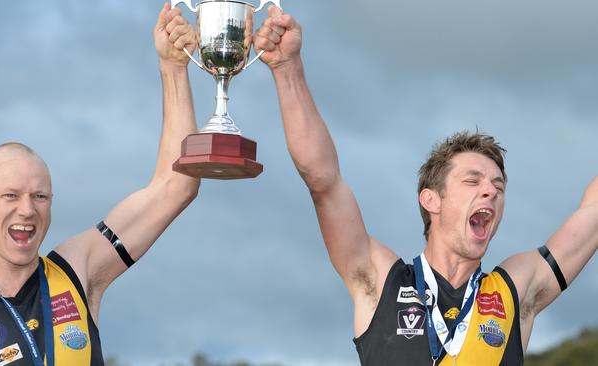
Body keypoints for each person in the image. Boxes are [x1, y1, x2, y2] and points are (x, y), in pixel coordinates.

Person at [254, 6, 598, 365]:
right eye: (472, 180)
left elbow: (592, 214)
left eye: (499, 186)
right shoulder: (380, 280)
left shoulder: (514, 290)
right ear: (431, 199)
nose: (491, 191)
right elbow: (323, 182)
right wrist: (286, 69)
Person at [0, 3, 199, 365]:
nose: (27, 209)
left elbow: (176, 187)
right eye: (10, 195)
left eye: (40, 196)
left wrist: (173, 67)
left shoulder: (74, 269)